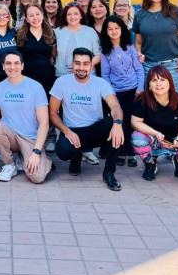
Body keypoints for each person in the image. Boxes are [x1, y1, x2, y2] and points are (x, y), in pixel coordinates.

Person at [50, 48, 125, 191]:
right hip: (73, 131)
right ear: (72, 64)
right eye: (77, 63)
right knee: (63, 151)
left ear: (91, 65)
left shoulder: (100, 83)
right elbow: (53, 113)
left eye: (85, 64)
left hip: (96, 130)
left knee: (117, 123)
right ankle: (76, 157)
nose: (81, 67)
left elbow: (115, 106)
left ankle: (109, 172)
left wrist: (117, 124)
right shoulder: (61, 82)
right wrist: (66, 131)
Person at [0, 51, 52, 184]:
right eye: (8, 63)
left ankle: (41, 159)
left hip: (31, 138)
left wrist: (36, 152)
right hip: (11, 136)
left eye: (16, 63)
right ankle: (9, 164)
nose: (12, 67)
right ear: (3, 66)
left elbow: (44, 123)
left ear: (22, 66)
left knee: (37, 177)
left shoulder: (35, 87)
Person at [131, 66, 178, 181]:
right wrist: (156, 133)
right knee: (137, 138)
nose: (158, 84)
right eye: (154, 80)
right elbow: (135, 122)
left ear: (170, 82)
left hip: (174, 140)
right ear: (149, 85)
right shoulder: (142, 99)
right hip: (153, 139)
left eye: (162, 79)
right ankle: (150, 163)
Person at [54, 3, 102, 164]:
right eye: (69, 14)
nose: (72, 17)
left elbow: (98, 54)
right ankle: (71, 146)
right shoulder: (57, 32)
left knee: (86, 112)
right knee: (67, 113)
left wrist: (84, 67)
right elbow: (54, 53)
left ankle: (87, 150)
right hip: (62, 78)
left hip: (85, 79)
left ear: (81, 15)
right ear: (65, 17)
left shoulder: (89, 32)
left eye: (76, 14)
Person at [100, 16, 144, 167]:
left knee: (132, 122)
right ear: (106, 32)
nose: (113, 31)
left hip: (133, 91)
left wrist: (140, 88)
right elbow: (105, 75)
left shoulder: (130, 48)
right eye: (110, 29)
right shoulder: (105, 52)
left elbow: (139, 70)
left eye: (116, 28)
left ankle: (131, 153)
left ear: (122, 29)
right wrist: (111, 94)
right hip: (116, 92)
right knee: (120, 121)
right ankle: (119, 152)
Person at [133, 0, 178, 94]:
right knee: (153, 103)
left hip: (174, 65)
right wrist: (138, 53)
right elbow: (138, 42)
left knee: (177, 102)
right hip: (149, 66)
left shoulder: (175, 11)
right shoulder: (140, 15)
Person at [16, 4, 56, 95]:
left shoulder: (51, 33)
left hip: (47, 77)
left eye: (37, 14)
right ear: (27, 19)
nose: (35, 18)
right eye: (31, 16)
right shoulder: (19, 35)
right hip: (27, 78)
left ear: (42, 15)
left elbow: (55, 55)